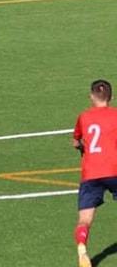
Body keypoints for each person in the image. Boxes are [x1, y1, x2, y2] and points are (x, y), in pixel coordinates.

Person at [72, 79, 117, 267]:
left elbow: (75, 142)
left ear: (92, 96)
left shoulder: (83, 117)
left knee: (85, 218)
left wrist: (83, 146)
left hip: (91, 172)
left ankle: (82, 247)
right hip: (114, 169)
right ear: (111, 97)